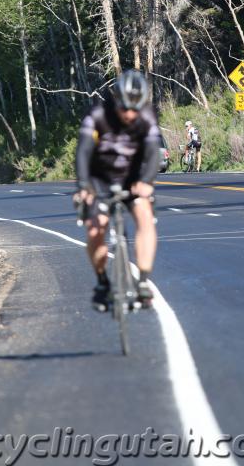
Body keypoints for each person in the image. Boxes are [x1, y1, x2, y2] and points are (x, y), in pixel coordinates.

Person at [75, 70, 161, 311]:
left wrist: (146, 181)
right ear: (115, 100)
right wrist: (83, 186)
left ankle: (143, 282)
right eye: (125, 108)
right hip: (99, 178)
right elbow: (83, 152)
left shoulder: (147, 115)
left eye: (136, 108)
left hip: (132, 178)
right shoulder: (97, 115)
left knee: (145, 217)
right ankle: (102, 282)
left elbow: (154, 151)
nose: (130, 114)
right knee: (95, 229)